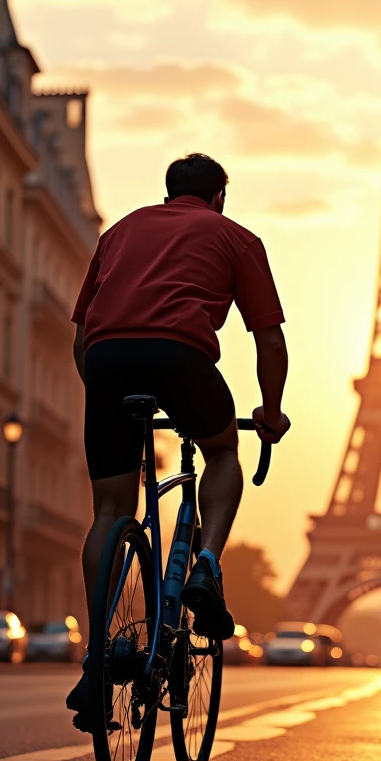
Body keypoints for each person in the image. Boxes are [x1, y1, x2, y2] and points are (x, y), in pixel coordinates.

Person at [65, 153, 290, 725]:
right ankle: (207, 565)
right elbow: (269, 339)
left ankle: (95, 657)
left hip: (108, 357)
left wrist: (104, 389)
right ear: (219, 197)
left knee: (111, 509)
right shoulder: (236, 237)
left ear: (167, 194)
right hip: (180, 356)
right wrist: (270, 409)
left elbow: (81, 330)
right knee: (221, 450)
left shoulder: (119, 231)